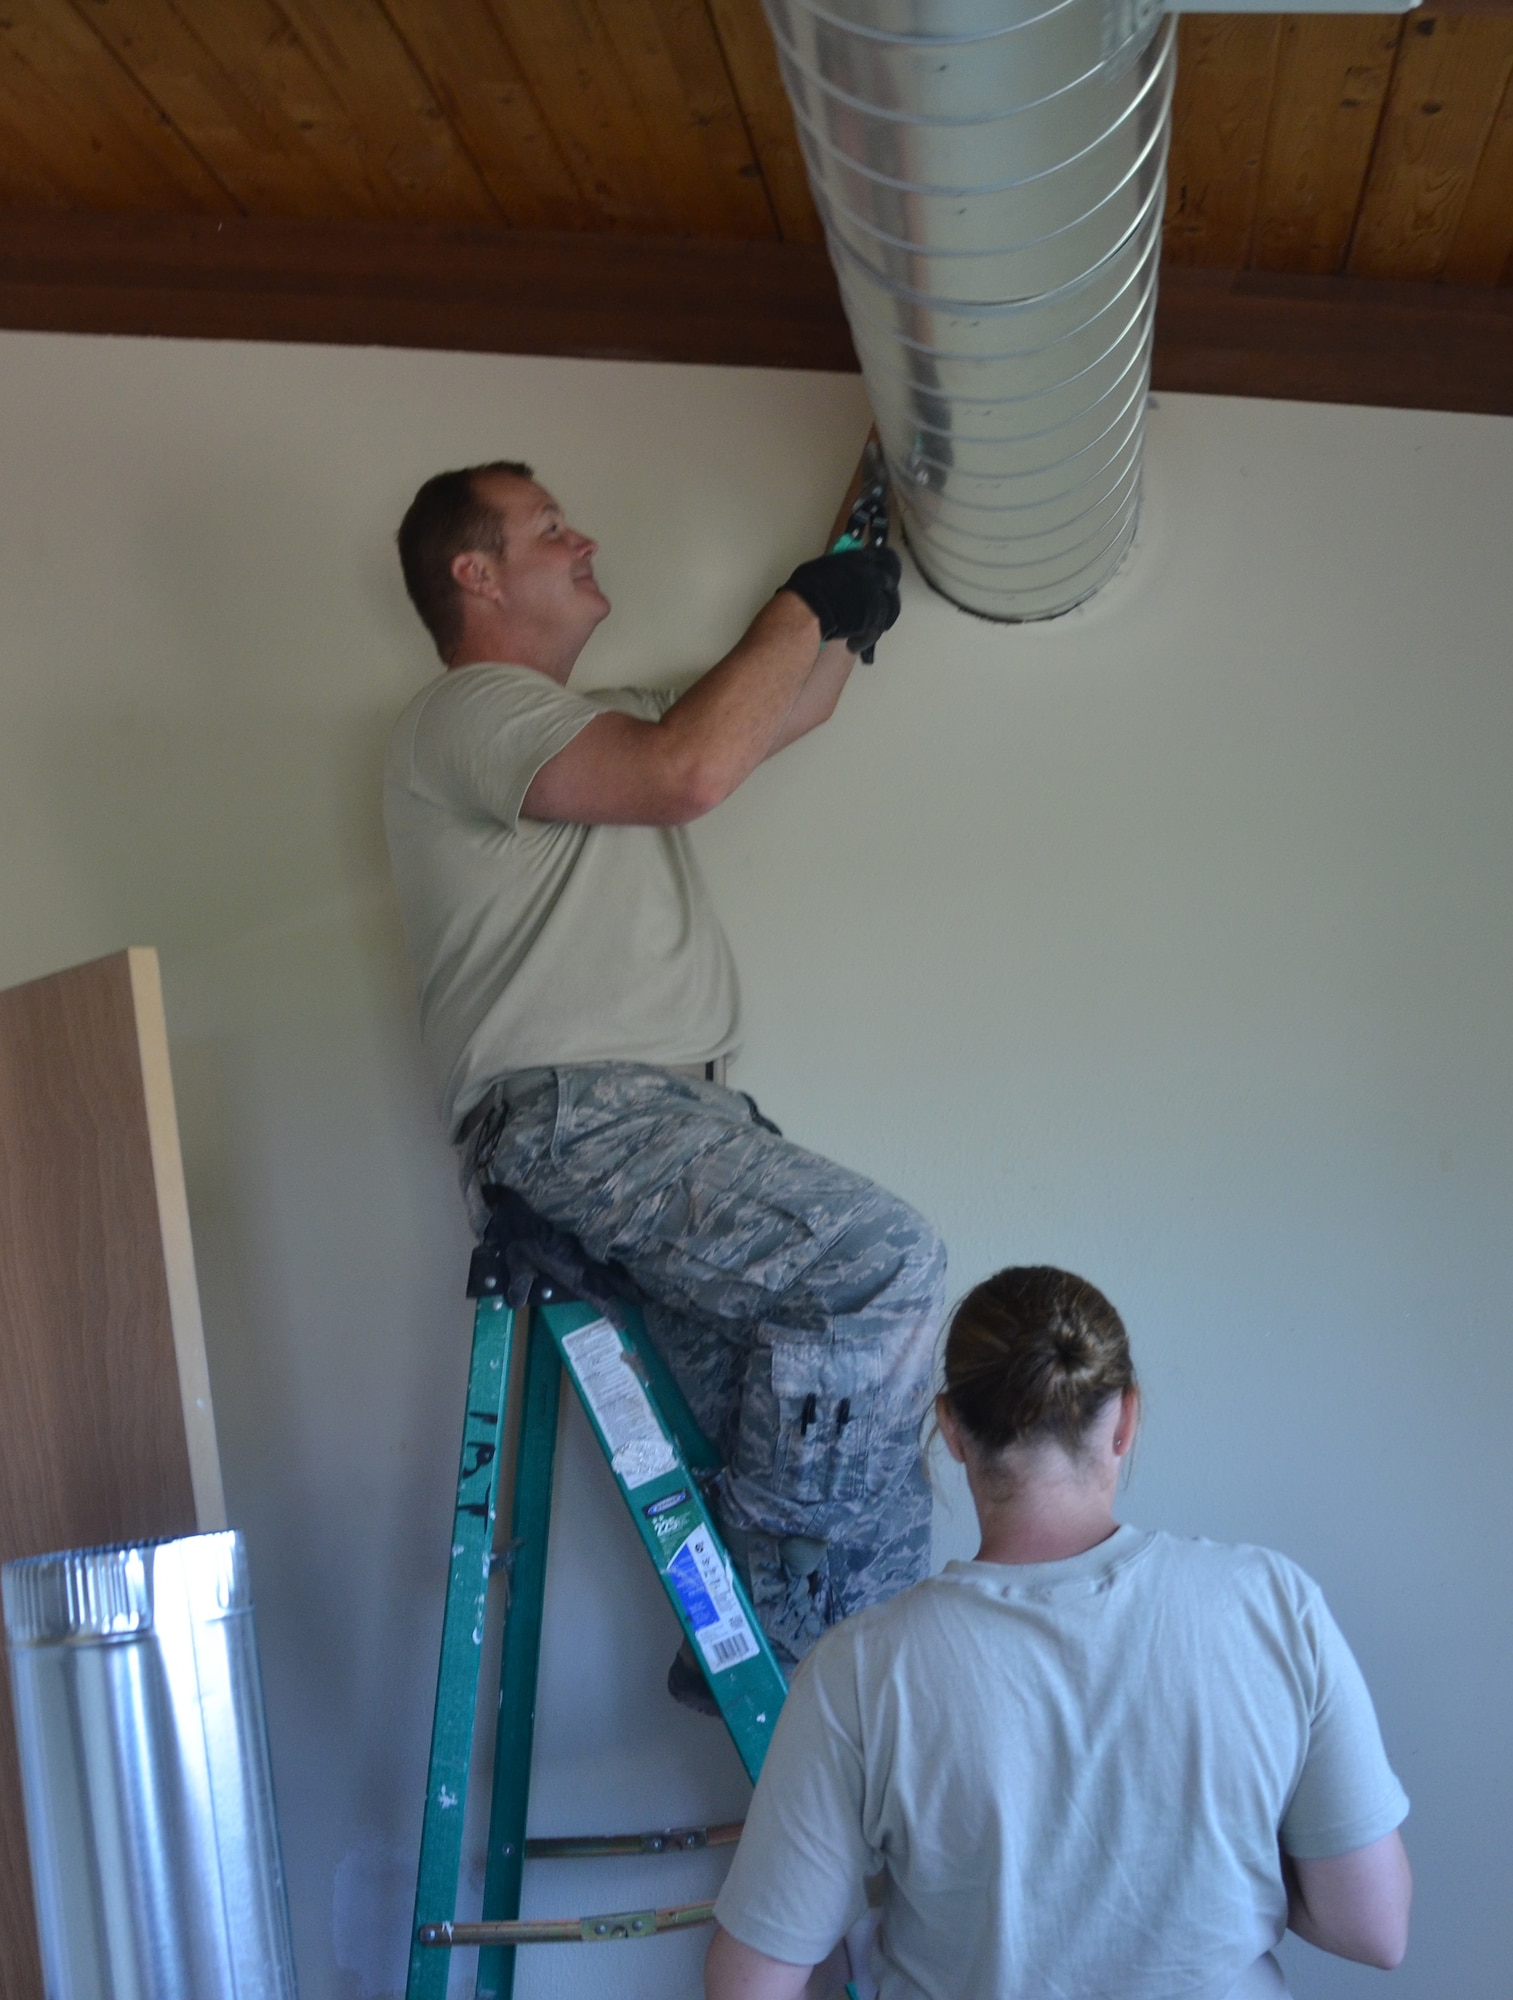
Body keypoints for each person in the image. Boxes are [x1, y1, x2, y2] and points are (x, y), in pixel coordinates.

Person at [383, 454, 945, 1684]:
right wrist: (810, 596)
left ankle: (811, 1661)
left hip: (672, 1122)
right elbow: (688, 770)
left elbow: (785, 709)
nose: (581, 541)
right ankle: (774, 1615)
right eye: (548, 530)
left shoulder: (601, 722)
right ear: (473, 574)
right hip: (579, 1117)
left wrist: (863, 542)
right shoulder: (472, 711)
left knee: (863, 1448)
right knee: (880, 1266)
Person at [707, 1266, 1412, 2000]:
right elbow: (1373, 1926)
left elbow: (748, 1987)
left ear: (950, 1428)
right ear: (1126, 1420)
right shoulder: (1272, 1606)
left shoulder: (859, 1670)